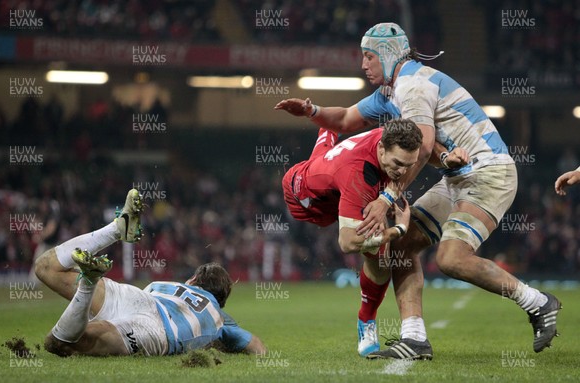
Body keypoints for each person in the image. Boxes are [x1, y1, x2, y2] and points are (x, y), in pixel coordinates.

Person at [275, 22, 561, 360]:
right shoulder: (390, 91)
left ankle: (539, 302)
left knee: (451, 259)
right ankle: (415, 338)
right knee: (401, 244)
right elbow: (344, 120)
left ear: (387, 54)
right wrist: (312, 111)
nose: (363, 65)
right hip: (459, 177)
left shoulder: (411, 86)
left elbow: (422, 149)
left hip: (489, 172)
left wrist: (385, 199)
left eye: (369, 57)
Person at [280, 118, 465, 357]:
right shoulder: (358, 176)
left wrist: (443, 158)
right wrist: (398, 230)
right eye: (398, 163)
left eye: (407, 165)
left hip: (330, 173)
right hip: (308, 201)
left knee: (332, 128)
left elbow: (421, 154)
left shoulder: (392, 137)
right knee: (379, 251)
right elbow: (347, 243)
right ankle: (365, 320)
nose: (402, 172)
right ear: (381, 148)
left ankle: (367, 319)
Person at [34, 189, 266, 357]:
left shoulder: (172, 285)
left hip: (141, 297)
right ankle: (89, 282)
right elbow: (255, 345)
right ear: (220, 300)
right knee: (58, 344)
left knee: (45, 268)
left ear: (193, 280)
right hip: (157, 331)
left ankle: (115, 230)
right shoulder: (220, 318)